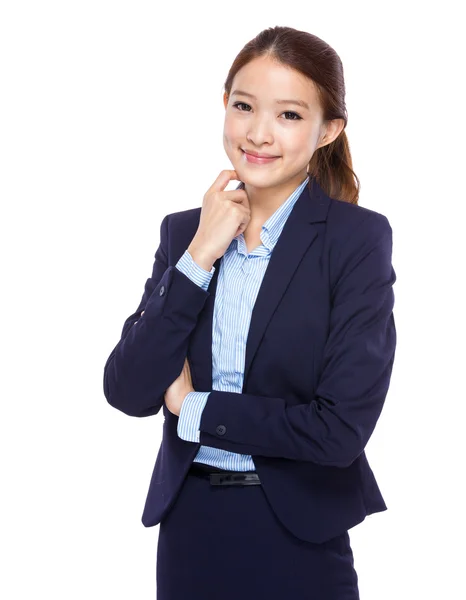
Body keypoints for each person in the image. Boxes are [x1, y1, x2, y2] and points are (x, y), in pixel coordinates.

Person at [103, 25, 397, 600]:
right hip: (190, 531)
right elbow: (128, 389)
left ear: (329, 130)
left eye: (289, 115)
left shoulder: (356, 240)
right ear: (224, 107)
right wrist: (196, 259)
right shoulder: (183, 232)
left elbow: (338, 431)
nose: (259, 133)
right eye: (244, 106)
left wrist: (194, 408)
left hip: (299, 538)